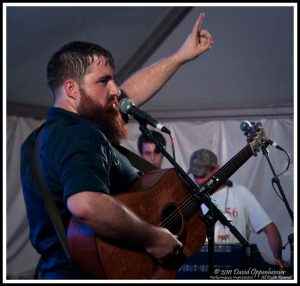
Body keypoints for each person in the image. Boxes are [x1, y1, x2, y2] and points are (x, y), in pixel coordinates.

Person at [20, 12, 214, 279]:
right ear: (72, 89)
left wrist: (180, 56)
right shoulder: (81, 135)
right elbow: (86, 204)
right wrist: (153, 237)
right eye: (103, 81)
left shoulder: (40, 139)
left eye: (113, 79)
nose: (115, 90)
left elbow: (127, 93)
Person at [188, 148, 289, 269]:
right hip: (202, 265)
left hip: (235, 265)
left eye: (203, 175)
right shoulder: (191, 200)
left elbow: (269, 227)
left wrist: (277, 259)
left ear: (216, 169)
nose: (199, 180)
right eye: (195, 176)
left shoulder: (241, 193)